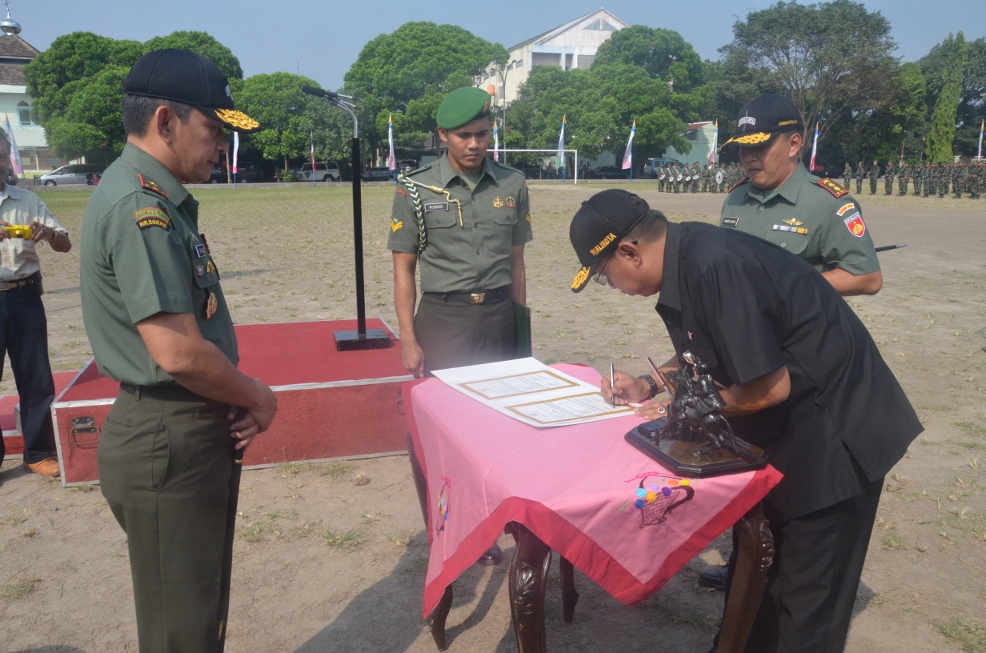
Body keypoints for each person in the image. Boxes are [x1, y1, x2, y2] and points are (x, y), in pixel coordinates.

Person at [568, 188, 922, 653]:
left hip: (837, 434)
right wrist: (650, 385)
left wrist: (684, 407)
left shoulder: (715, 264)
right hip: (787, 431)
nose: (609, 286)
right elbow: (707, 344)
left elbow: (767, 390)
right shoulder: (685, 258)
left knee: (807, 602)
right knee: (755, 576)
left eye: (603, 275)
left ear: (629, 252)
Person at [79, 49, 279, 652]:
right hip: (170, 434)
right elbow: (179, 353)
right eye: (214, 130)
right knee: (181, 632)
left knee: (198, 612)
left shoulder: (153, 197)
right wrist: (258, 398)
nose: (222, 146)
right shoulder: (142, 208)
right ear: (166, 120)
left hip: (182, 428)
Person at [389, 86, 532, 566]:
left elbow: (517, 265)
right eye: (463, 135)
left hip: (496, 317)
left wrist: (521, 331)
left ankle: (493, 521)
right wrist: (409, 337)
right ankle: (446, 528)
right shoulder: (415, 188)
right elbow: (403, 269)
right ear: (443, 135)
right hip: (443, 320)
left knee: (498, 427)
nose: (474, 144)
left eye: (482, 133)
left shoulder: (512, 184)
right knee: (442, 433)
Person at [719, 94, 883, 296]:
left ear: (793, 144)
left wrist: (788, 285)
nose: (749, 157)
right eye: (743, 148)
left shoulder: (828, 203)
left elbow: (867, 278)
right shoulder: (735, 198)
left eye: (759, 146)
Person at [0, 130, 71, 478]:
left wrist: (49, 233)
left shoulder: (26, 200)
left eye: (1, 155)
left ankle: (38, 452)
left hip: (25, 296)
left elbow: (66, 244)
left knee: (35, 379)